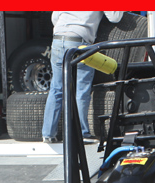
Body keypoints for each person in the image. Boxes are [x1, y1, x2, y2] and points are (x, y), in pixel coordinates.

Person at [41, 11, 123, 143]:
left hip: (58, 40)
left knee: (57, 88)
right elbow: (115, 17)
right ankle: (81, 134)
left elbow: (54, 18)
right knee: (81, 90)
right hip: (79, 43)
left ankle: (48, 134)